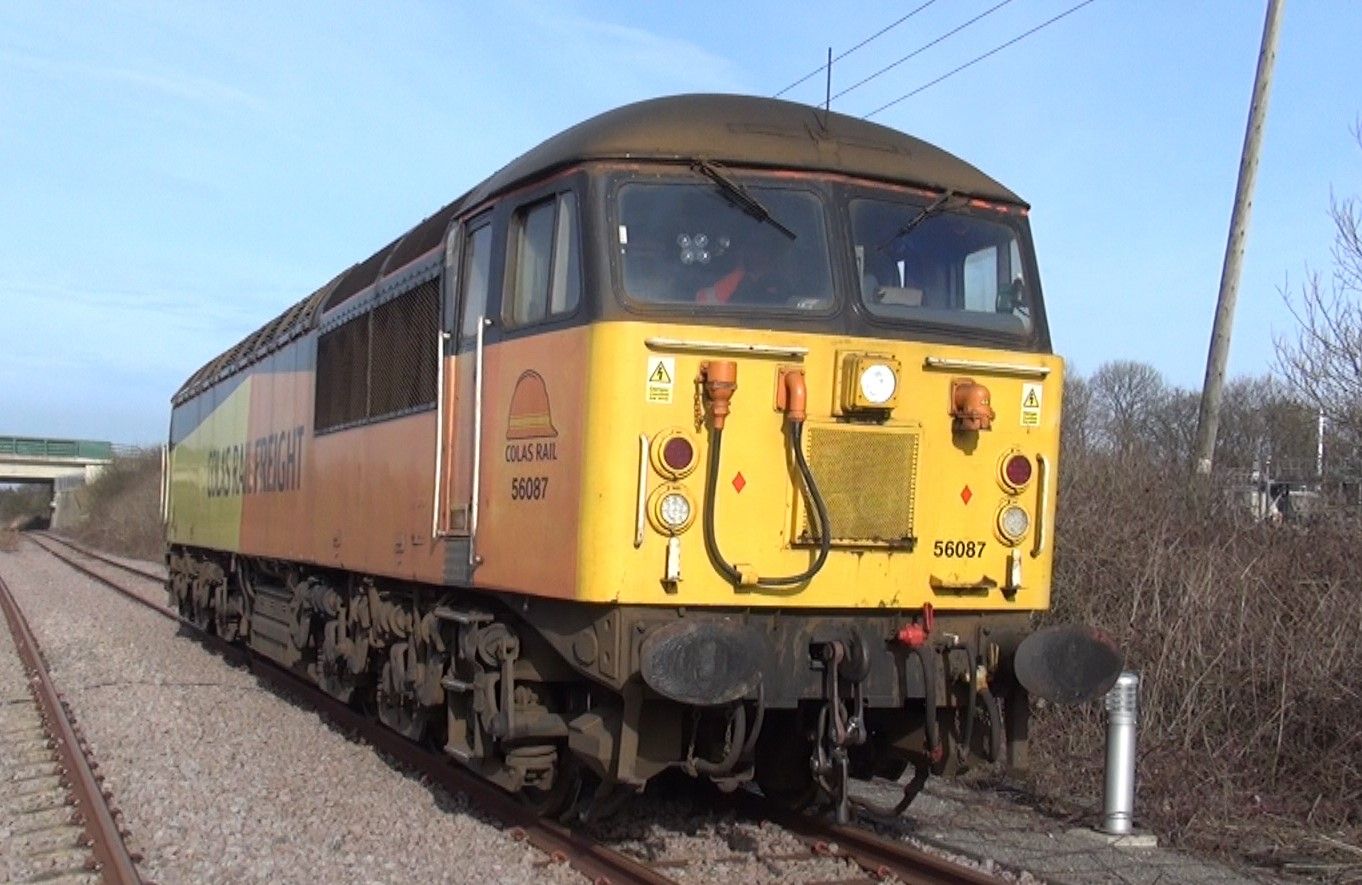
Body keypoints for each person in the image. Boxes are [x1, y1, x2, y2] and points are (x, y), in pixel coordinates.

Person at [695, 233, 787, 305]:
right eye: (751, 246)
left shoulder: (781, 283)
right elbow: (704, 300)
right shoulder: (733, 280)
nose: (755, 252)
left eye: (761, 246)